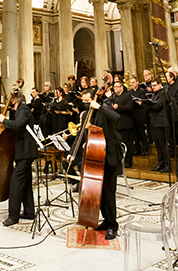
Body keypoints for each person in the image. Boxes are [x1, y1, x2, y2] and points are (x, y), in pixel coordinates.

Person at [71, 89, 122, 240]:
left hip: (109, 156)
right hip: (95, 156)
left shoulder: (104, 110)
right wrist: (72, 153)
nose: (86, 104)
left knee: (108, 192)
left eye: (88, 101)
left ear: (95, 99)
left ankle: (113, 225)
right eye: (84, 102)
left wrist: (100, 107)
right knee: (97, 192)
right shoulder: (86, 115)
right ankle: (105, 220)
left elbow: (116, 117)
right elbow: (81, 135)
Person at [0, 92, 37, 226]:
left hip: (26, 152)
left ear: (15, 100)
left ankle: (13, 216)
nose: (9, 103)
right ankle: (29, 212)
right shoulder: (19, 110)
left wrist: (3, 120)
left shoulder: (24, 109)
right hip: (23, 152)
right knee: (25, 182)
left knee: (15, 183)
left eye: (10, 101)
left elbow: (18, 125)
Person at [106, 80, 135, 168]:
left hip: (126, 123)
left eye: (117, 87)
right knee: (118, 144)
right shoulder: (113, 96)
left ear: (122, 87)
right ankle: (120, 161)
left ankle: (128, 161)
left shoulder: (127, 96)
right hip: (116, 124)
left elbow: (130, 107)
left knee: (127, 144)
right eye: (114, 87)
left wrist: (119, 107)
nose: (115, 89)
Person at [146, 80, 171, 173]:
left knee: (163, 145)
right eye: (152, 85)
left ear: (160, 85)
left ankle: (167, 165)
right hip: (154, 122)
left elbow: (158, 105)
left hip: (161, 122)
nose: (153, 87)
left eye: (155, 85)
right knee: (158, 145)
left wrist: (147, 105)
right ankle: (160, 164)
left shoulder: (163, 94)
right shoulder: (154, 94)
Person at [129, 77, 149, 157]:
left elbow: (144, 102)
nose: (132, 84)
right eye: (131, 83)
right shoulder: (130, 92)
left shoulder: (142, 91)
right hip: (132, 114)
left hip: (140, 114)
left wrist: (138, 102)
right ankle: (137, 149)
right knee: (135, 134)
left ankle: (145, 149)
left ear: (137, 82)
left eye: (133, 82)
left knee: (141, 132)